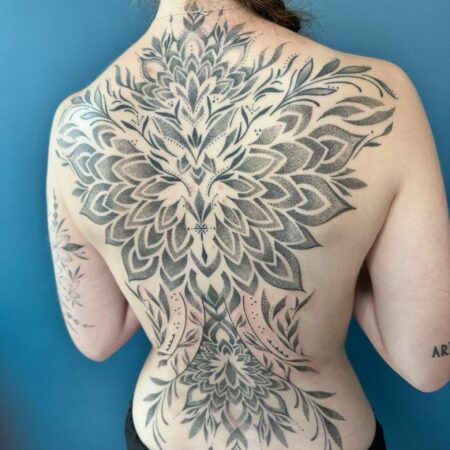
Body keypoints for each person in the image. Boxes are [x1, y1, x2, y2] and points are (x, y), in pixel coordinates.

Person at [46, 0, 450, 448]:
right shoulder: (378, 94)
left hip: (162, 432)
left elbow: (96, 338)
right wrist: (342, 256)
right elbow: (428, 363)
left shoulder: (75, 123)